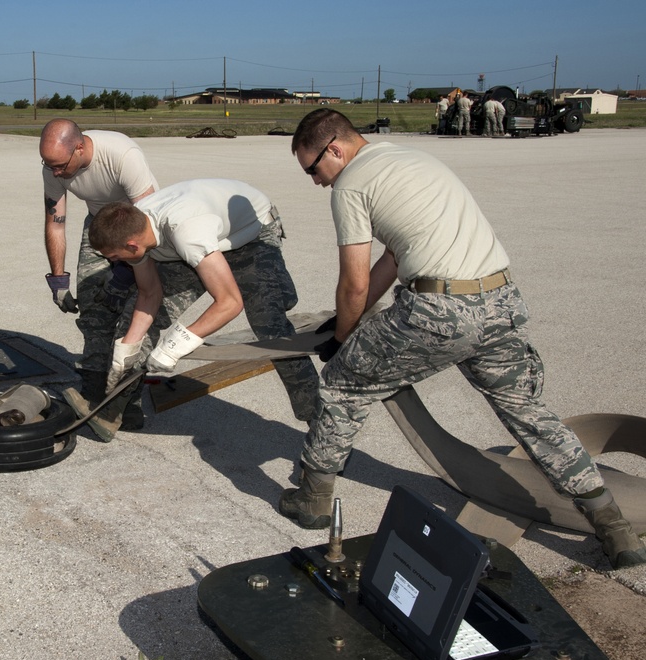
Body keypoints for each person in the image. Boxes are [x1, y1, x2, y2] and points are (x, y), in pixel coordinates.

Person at [283, 108, 645, 569]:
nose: (316, 182)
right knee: (529, 414)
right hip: (500, 302)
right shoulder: (412, 159)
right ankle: (614, 527)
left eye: (314, 170)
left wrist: (342, 339)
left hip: (438, 312)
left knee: (341, 386)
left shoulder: (351, 185)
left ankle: (313, 500)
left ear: (335, 149)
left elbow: (354, 283)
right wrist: (346, 324)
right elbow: (395, 255)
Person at [75, 178, 319, 441]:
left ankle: (319, 424)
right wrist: (126, 351)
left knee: (270, 325)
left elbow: (229, 302)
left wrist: (174, 346)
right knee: (131, 323)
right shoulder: (133, 228)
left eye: (115, 257)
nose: (115, 263)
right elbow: (149, 294)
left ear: (132, 246)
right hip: (191, 244)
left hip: (251, 234)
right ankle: (116, 411)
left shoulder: (186, 232)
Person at [39, 119, 159, 428]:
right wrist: (59, 279)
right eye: (48, 165)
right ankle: (92, 390)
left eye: (59, 165)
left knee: (132, 312)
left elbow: (144, 221)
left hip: (137, 227)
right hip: (98, 225)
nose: (54, 172)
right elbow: (55, 222)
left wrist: (122, 276)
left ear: (79, 147)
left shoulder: (121, 154)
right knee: (93, 307)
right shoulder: (54, 167)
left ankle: (127, 401)